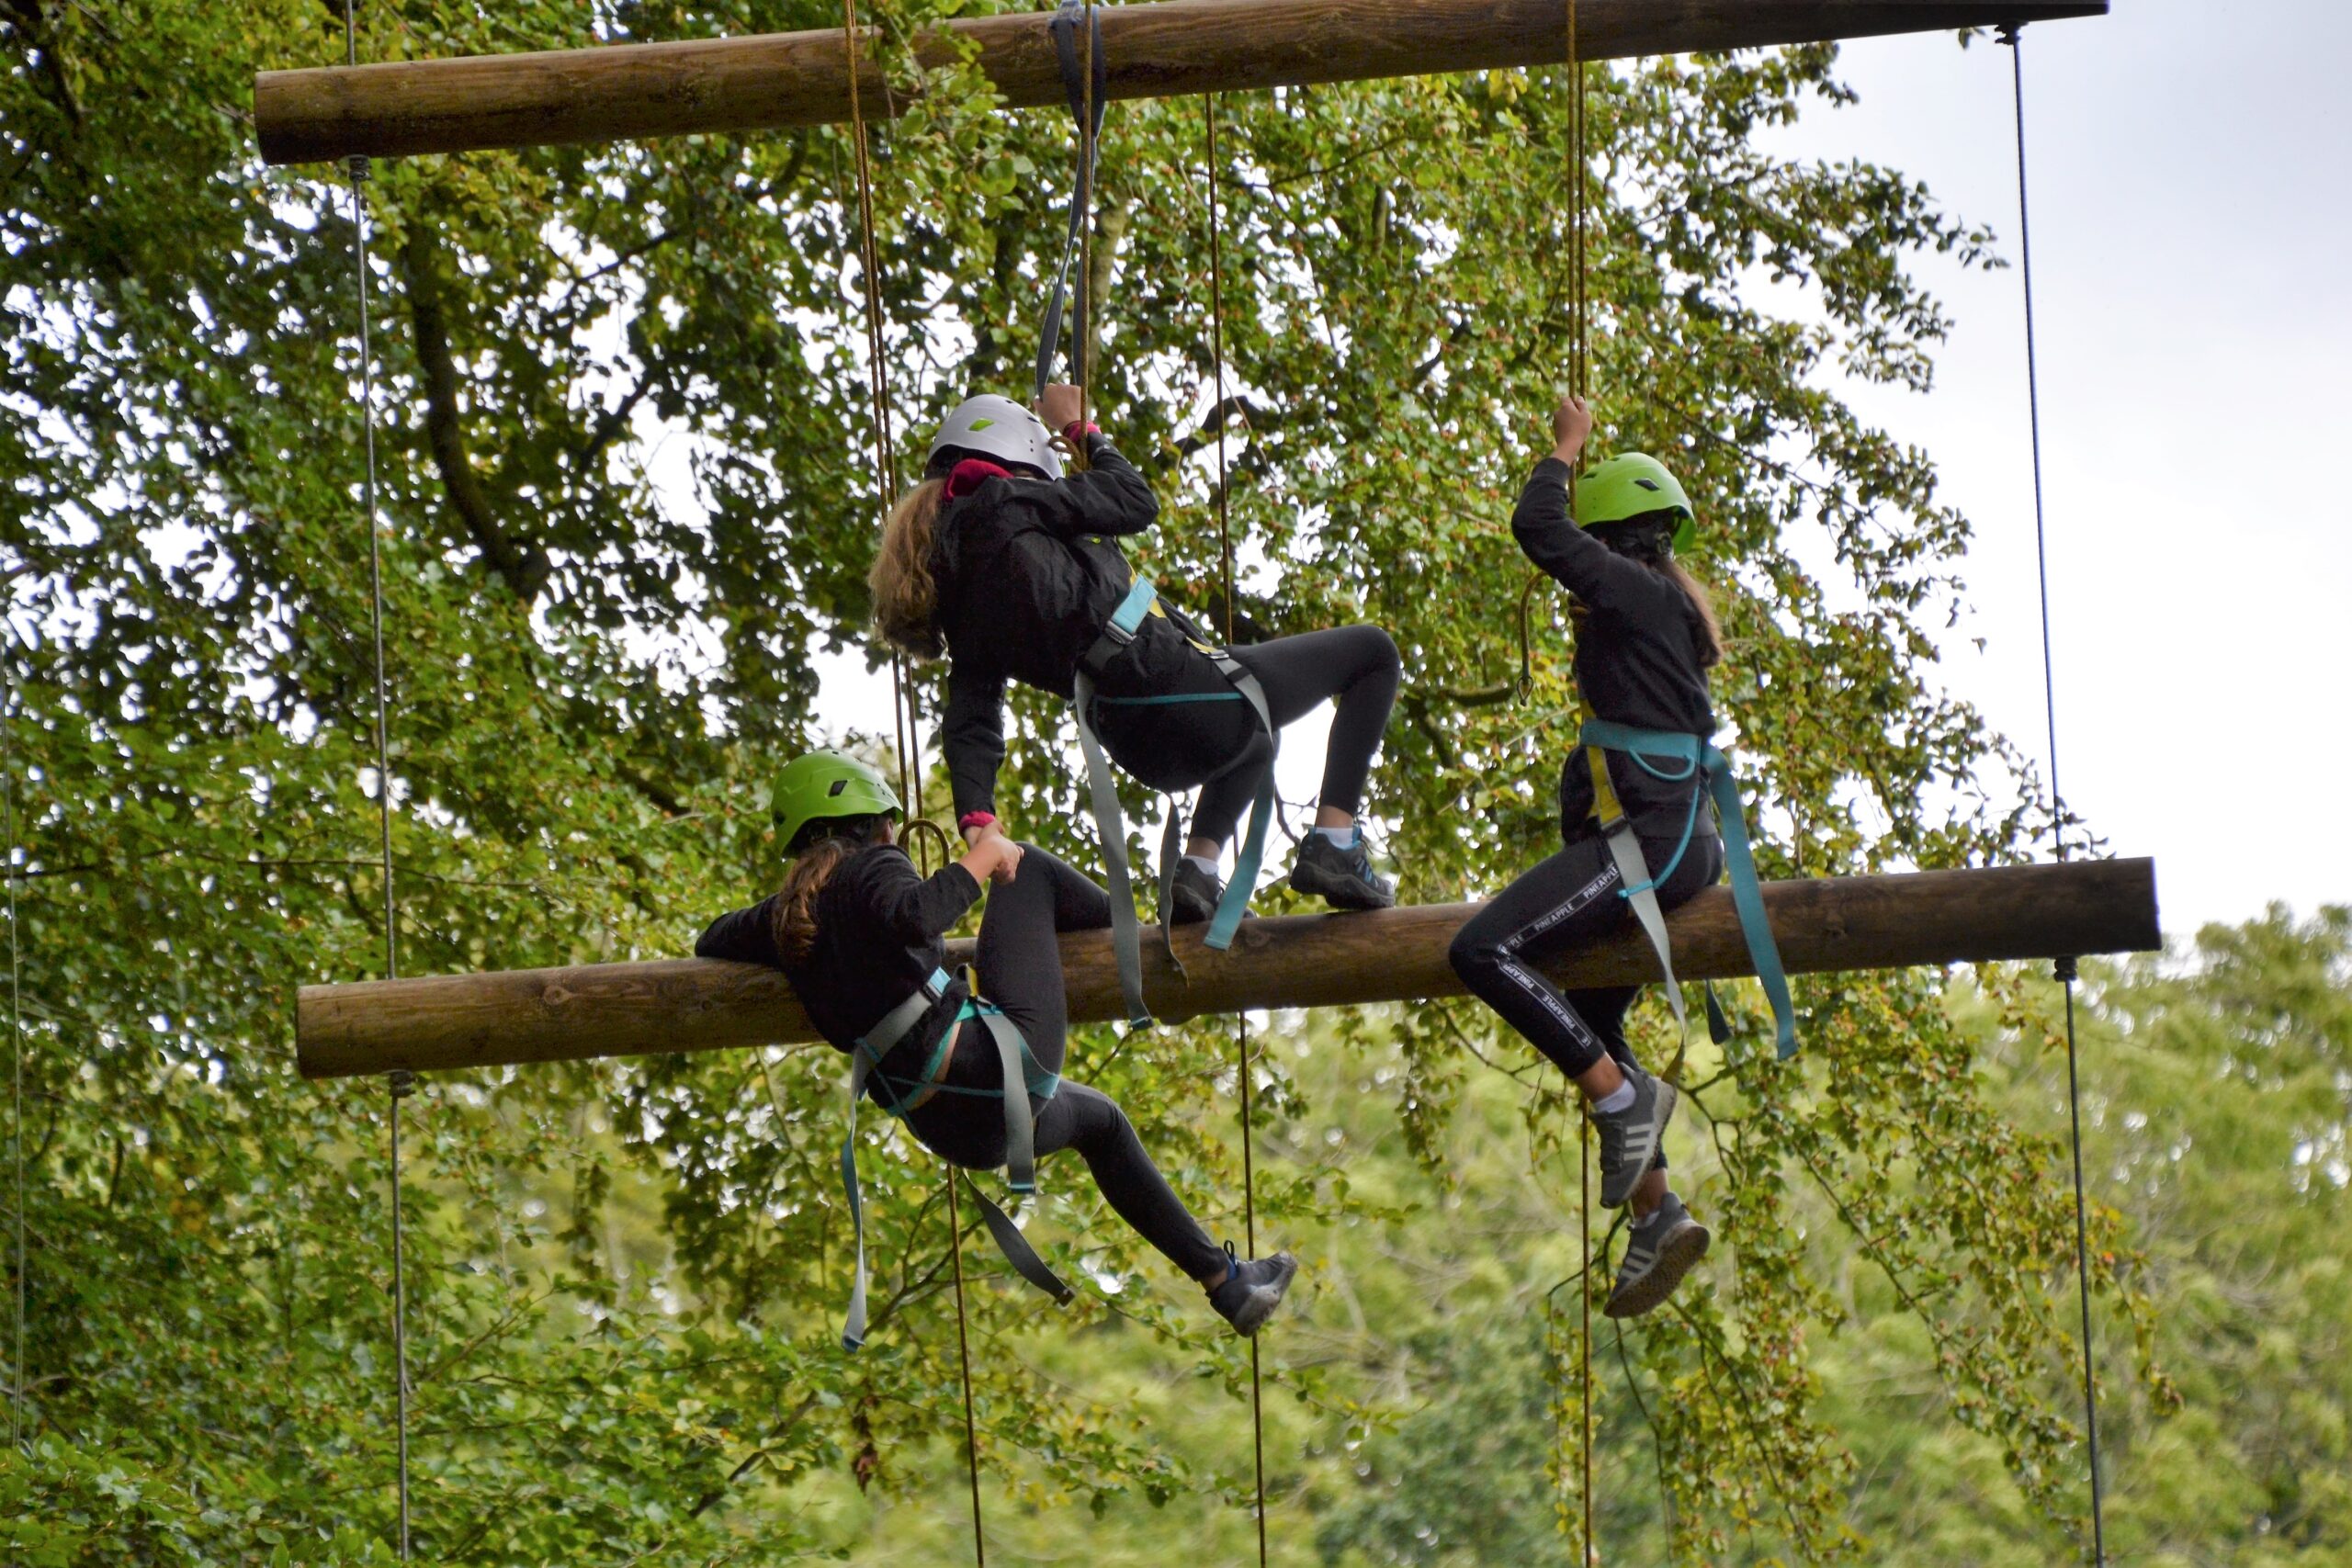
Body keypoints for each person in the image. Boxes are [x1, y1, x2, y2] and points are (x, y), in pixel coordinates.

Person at [695, 748, 1297, 1337]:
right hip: (993, 1073)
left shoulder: (786, 919)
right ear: (871, 824)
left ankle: (1226, 1281)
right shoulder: (872, 867)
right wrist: (987, 855)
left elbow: (712, 938)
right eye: (888, 826)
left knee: (1103, 1124)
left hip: (954, 1129)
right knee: (1025, 867)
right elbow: (915, 915)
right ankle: (1146, 954)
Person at [869, 383, 1402, 934]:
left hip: (1134, 740)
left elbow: (971, 720)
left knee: (1258, 735)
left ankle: (1198, 874)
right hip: (1178, 692)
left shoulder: (961, 593)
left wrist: (977, 818)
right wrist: (1080, 428)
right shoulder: (1010, 501)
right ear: (1018, 456)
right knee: (1373, 654)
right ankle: (1336, 841)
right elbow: (1135, 499)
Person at [1447, 395, 1725, 1320]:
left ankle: (1619, 1104)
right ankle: (1658, 1214)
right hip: (1666, 841)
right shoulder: (1658, 611)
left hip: (1652, 845)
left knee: (1481, 949)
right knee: (1591, 1015)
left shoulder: (1636, 590)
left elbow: (1539, 529)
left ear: (1611, 542)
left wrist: (1564, 451)